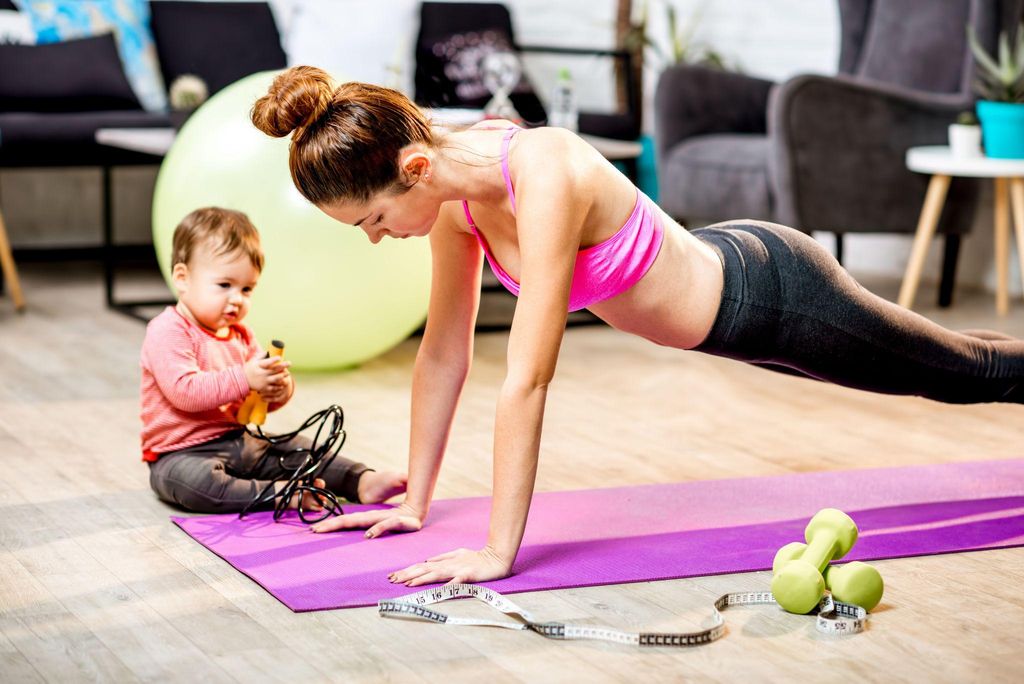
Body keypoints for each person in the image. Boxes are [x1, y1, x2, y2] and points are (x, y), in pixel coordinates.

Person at [250, 66, 1024, 586]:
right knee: (959, 354)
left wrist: (496, 551)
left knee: (962, 375)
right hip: (735, 305)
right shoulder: (452, 204)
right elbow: (444, 352)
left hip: (774, 297)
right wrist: (417, 497)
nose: (377, 237)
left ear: (413, 168)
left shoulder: (543, 172)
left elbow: (528, 375)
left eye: (374, 219)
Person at [140, 206, 407, 513]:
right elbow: (184, 392)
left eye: (247, 288)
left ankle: (360, 481)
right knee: (196, 485)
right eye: (224, 285)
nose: (237, 299)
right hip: (180, 455)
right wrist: (246, 378)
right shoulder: (168, 330)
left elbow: (256, 403)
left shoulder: (240, 334)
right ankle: (281, 494)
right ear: (182, 278)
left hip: (240, 441)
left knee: (297, 448)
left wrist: (277, 389)